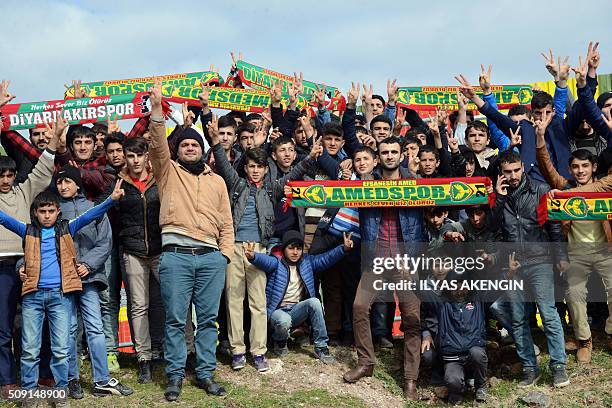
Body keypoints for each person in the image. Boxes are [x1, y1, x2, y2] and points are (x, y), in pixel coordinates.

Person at [0, 177, 123, 408]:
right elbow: (4, 219)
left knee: (60, 348)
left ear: (58, 212)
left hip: (60, 297)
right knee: (29, 349)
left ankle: (60, 392)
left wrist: (111, 200)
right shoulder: (26, 231)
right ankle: (29, 393)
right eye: (42, 211)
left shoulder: (68, 228)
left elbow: (90, 215)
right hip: (33, 298)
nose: (46, 215)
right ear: (35, 213)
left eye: (51, 211)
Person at [147, 79, 233, 401]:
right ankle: (174, 376)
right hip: (176, 256)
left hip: (211, 258)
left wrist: (223, 255)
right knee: (175, 319)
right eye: (185, 145)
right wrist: (157, 110)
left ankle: (206, 374)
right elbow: (156, 145)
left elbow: (227, 222)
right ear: (178, 150)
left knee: (208, 321)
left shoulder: (217, 183)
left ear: (203, 150)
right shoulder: (167, 173)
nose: (190, 148)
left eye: (195, 145)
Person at [343, 136, 426, 401]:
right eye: (385, 152)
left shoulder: (415, 183)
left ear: (402, 155)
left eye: (394, 151)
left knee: (412, 319)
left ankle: (410, 378)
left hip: (406, 262)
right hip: (376, 259)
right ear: (378, 157)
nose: (390, 155)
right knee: (359, 307)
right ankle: (366, 362)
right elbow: (341, 193)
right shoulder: (366, 184)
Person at [491, 149, 569, 388]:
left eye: (516, 170)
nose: (513, 176)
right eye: (507, 172)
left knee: (548, 313)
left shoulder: (541, 190)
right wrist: (500, 197)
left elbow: (553, 226)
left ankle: (558, 366)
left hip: (540, 261)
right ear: (500, 173)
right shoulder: (497, 196)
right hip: (512, 265)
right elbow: (493, 230)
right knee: (516, 319)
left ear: (523, 167)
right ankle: (529, 367)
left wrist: (560, 256)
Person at [52, 166, 133, 399]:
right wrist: (68, 267)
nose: (63, 186)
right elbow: (50, 244)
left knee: (95, 328)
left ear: (78, 184)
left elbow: (105, 242)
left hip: (89, 278)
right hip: (63, 279)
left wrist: (87, 265)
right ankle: (71, 378)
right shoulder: (52, 210)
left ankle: (102, 379)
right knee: (68, 330)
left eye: (68, 181)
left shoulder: (93, 209)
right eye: (60, 182)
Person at [0, 103, 59, 399]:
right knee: (3, 327)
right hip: (1, 268)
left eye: (10, 175)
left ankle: (42, 375)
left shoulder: (25, 191)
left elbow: (43, 167)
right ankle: (7, 380)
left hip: (29, 264)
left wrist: (55, 141)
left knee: (35, 323)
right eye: (2, 175)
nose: (6, 180)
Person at [104, 137, 165, 382]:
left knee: (166, 302)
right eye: (130, 155)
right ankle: (144, 359)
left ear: (146, 156)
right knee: (138, 306)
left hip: (160, 249)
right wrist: (112, 200)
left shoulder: (159, 179)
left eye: (140, 155)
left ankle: (171, 350)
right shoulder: (118, 182)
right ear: (125, 158)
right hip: (132, 250)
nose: (135, 160)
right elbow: (105, 213)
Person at [245, 230, 354, 363]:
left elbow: (326, 258)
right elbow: (264, 261)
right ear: (284, 249)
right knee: (283, 320)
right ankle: (279, 342)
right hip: (277, 312)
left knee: (314, 302)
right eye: (291, 248)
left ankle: (321, 347)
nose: (295, 252)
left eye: (298, 248)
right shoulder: (276, 262)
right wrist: (252, 256)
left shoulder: (307, 262)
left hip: (297, 310)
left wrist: (343, 248)